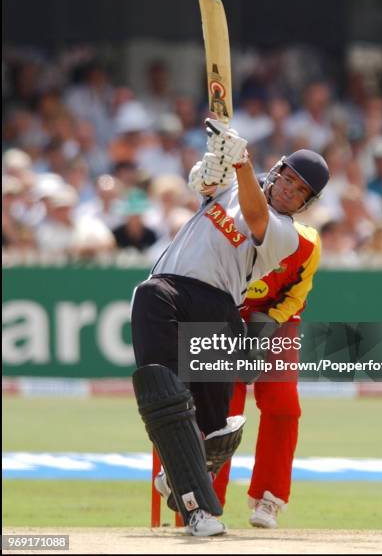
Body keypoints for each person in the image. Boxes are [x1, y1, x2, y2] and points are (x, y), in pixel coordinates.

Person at [130, 118, 329, 536]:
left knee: (218, 425)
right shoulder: (232, 187)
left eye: (299, 192)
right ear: (276, 172)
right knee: (164, 389)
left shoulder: (286, 235)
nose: (289, 191)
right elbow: (202, 183)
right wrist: (215, 165)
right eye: (287, 180)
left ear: (305, 203)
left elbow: (256, 216)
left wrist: (238, 164)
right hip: (167, 285)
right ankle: (185, 479)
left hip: (220, 307)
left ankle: (197, 495)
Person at [212, 211, 321, 528]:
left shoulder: (306, 241)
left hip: (276, 320)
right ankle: (204, 500)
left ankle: (269, 498)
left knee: (283, 404)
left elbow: (298, 294)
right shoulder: (228, 230)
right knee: (218, 407)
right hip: (221, 317)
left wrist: (267, 324)